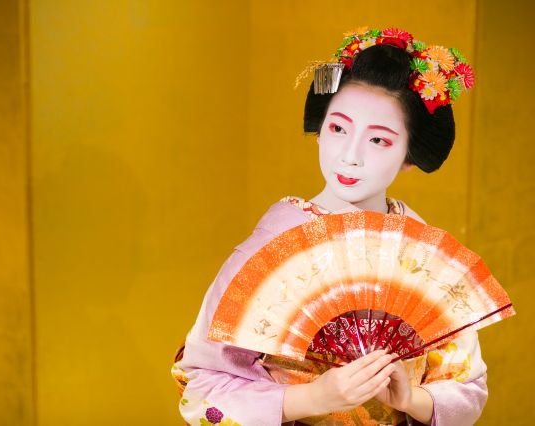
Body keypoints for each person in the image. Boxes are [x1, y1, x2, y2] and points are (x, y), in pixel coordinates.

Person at [171, 27, 487, 426]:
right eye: (338, 129)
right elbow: (201, 381)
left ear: (410, 155)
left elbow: (467, 387)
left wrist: (412, 398)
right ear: (319, 131)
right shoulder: (273, 247)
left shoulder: (425, 257)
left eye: (379, 141)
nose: (350, 156)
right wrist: (311, 398)